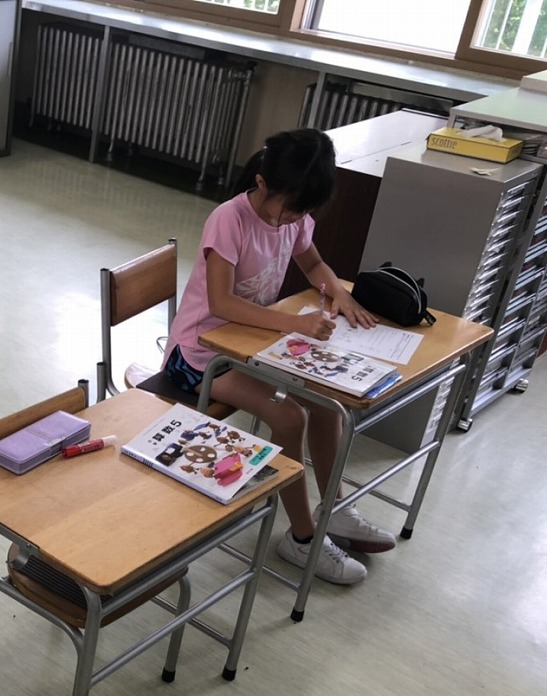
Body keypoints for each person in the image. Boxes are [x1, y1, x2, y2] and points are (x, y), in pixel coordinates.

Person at [162, 128, 395, 586]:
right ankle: (302, 538)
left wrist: (340, 293)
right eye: (290, 208)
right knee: (290, 418)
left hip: (250, 345)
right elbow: (221, 303)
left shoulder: (294, 216)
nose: (293, 220)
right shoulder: (229, 219)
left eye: (304, 211)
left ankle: (335, 508)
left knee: (328, 405)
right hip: (198, 355)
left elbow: (313, 264)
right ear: (262, 183)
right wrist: (295, 324)